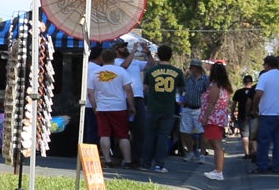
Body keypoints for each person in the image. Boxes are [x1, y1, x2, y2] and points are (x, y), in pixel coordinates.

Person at [87, 45, 136, 168]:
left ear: (102, 59)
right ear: (114, 59)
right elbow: (128, 89)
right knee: (123, 135)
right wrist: (131, 106)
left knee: (104, 134)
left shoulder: (95, 73)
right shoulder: (121, 71)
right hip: (119, 107)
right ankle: (128, 161)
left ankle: (107, 160)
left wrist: (94, 107)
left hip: (102, 107)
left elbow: (90, 93)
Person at [142, 44, 184, 173]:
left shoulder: (150, 71)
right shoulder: (177, 72)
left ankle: (145, 163)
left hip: (153, 107)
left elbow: (146, 88)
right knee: (163, 136)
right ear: (171, 56)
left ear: (158, 55)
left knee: (149, 136)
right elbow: (181, 89)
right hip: (168, 108)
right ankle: (159, 164)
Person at [253, 55, 279, 173]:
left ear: (267, 65)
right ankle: (277, 165)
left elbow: (259, 94)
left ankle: (262, 166)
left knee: (264, 141)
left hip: (267, 113)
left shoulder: (265, 76)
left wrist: (255, 108)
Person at [199, 62, 234, 182]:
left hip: (213, 118)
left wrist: (205, 117)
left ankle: (219, 171)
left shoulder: (215, 86)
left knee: (216, 145)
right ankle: (217, 169)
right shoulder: (225, 87)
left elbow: (212, 102)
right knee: (213, 143)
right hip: (219, 118)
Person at [180, 60, 210, 163]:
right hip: (188, 107)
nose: (191, 69)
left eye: (192, 67)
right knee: (185, 131)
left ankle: (202, 154)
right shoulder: (188, 79)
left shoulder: (206, 80)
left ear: (197, 68)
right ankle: (191, 152)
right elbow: (184, 91)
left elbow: (209, 94)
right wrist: (182, 100)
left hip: (199, 108)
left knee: (202, 132)